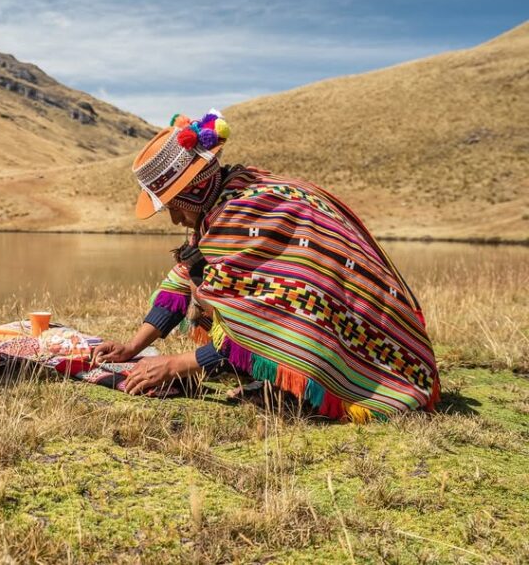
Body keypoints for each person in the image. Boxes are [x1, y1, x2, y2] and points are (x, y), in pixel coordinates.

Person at [92, 112, 439, 421]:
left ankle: (302, 391)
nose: (173, 219)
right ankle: (274, 381)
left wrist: (176, 364)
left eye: (173, 206)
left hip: (380, 358)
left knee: (229, 295)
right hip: (362, 331)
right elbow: (183, 279)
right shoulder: (223, 205)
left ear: (196, 190)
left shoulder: (244, 212)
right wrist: (133, 347)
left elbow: (261, 317)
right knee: (205, 280)